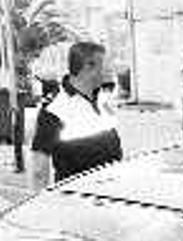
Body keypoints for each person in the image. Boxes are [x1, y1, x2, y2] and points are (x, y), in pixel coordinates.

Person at [29, 41, 122, 190]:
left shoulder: (102, 97)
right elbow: (39, 171)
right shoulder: (54, 108)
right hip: (78, 200)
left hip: (111, 193)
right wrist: (43, 209)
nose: (111, 70)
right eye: (106, 65)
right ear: (88, 67)